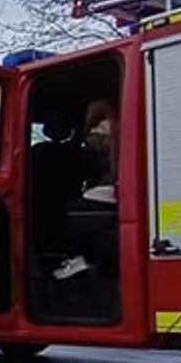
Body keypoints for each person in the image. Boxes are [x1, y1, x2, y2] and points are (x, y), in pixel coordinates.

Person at [54, 99, 117, 280]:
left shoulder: (94, 139)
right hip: (117, 192)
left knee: (68, 211)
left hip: (103, 193)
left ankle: (78, 259)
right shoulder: (121, 134)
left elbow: (83, 171)